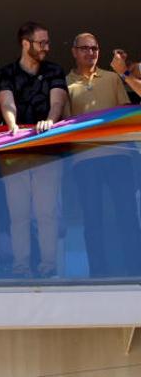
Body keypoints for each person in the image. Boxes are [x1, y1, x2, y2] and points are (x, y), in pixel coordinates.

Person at [0, 21, 68, 278]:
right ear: (26, 44)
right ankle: (21, 267)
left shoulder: (53, 70)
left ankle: (49, 267)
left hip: (47, 152)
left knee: (46, 213)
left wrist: (50, 120)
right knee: (18, 215)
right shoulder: (7, 73)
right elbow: (6, 101)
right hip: (14, 153)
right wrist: (12, 126)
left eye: (47, 42)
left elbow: (57, 101)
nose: (46, 47)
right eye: (42, 43)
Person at [65, 33, 141, 277]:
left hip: (118, 155)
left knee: (126, 214)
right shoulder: (64, 82)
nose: (91, 53)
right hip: (84, 159)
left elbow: (122, 114)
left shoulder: (112, 78)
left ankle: (134, 269)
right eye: (85, 48)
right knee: (92, 218)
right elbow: (65, 123)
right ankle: (98, 273)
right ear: (74, 51)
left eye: (95, 48)